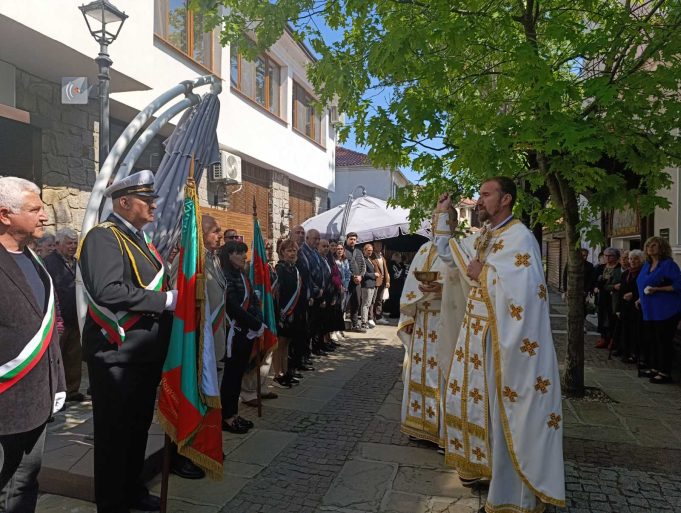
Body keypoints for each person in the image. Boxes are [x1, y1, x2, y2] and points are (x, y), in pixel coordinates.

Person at [434, 178, 565, 513]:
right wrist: (443, 219)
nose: (479, 200)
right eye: (479, 194)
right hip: (485, 340)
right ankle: (493, 477)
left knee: (513, 414)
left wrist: (485, 272)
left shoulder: (520, 237)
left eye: (485, 194)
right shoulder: (491, 236)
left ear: (506, 199)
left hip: (511, 346)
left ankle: (514, 500)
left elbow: (525, 292)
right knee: (489, 413)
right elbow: (459, 264)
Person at [79, 170, 177, 513]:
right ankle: (112, 502)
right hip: (117, 352)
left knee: (137, 429)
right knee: (114, 434)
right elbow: (108, 290)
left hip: (144, 352)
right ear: (123, 202)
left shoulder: (140, 240)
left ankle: (132, 490)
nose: (153, 206)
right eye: (146, 201)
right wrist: (164, 302)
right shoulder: (103, 237)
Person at [0, 177, 65, 513]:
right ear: (4, 215)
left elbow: (47, 327)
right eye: (34, 209)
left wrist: (58, 385)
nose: (44, 216)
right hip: (3, 403)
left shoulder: (35, 261)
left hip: (36, 401)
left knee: (24, 484)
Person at [397, 209, 466, 446]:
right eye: (435, 221)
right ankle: (419, 426)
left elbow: (466, 286)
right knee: (418, 371)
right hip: (422, 322)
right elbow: (409, 285)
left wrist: (442, 289)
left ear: (455, 223)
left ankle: (442, 433)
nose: (438, 225)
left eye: (445, 221)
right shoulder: (424, 250)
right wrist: (408, 318)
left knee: (443, 373)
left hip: (446, 320)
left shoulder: (460, 250)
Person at [219, 240, 265, 433]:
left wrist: (258, 320)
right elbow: (232, 306)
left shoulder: (242, 274)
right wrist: (254, 323)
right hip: (234, 333)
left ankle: (234, 414)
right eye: (239, 253)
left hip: (246, 332)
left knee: (238, 375)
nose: (244, 257)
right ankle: (227, 417)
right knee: (230, 377)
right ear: (229, 255)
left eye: (244, 253)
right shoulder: (226, 276)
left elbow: (253, 300)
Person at [44, 228, 84, 402]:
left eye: (75, 243)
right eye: (69, 243)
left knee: (74, 356)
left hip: (75, 316)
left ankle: (72, 390)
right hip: (58, 319)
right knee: (56, 358)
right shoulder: (48, 263)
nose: (73, 246)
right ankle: (54, 393)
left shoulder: (77, 263)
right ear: (59, 244)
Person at [636, 237, 681, 384]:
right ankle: (654, 367)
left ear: (662, 248)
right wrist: (639, 298)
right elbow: (642, 283)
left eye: (654, 245)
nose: (651, 248)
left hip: (666, 310)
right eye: (649, 245)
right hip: (649, 309)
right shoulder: (647, 264)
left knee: (663, 341)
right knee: (652, 340)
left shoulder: (668, 265)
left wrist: (658, 289)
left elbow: (678, 285)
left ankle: (664, 372)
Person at [273, 239, 304, 387]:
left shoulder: (295, 269)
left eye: (294, 251)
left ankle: (285, 372)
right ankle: (278, 374)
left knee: (286, 344)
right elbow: (277, 293)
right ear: (282, 252)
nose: (292, 253)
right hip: (282, 312)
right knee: (279, 344)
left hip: (293, 312)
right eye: (289, 251)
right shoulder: (280, 269)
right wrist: (280, 312)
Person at [297, 228, 328, 356]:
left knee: (315, 325)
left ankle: (309, 351)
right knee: (308, 328)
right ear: (307, 238)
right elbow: (307, 275)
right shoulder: (303, 251)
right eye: (315, 238)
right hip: (310, 294)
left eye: (318, 238)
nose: (317, 241)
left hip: (318, 294)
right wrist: (315, 290)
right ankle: (305, 353)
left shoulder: (314, 252)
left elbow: (320, 271)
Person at [615, 249, 643, 364]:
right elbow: (621, 292)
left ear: (641, 260)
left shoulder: (642, 273)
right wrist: (618, 309)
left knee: (635, 331)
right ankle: (625, 351)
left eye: (636, 259)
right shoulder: (626, 273)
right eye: (631, 259)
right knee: (625, 330)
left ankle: (634, 353)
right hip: (625, 306)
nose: (632, 261)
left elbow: (642, 290)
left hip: (637, 307)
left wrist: (634, 295)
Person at [594, 247, 622, 349]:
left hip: (613, 297)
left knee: (612, 318)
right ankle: (603, 338)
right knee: (602, 317)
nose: (607, 257)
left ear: (616, 257)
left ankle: (612, 339)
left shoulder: (619, 268)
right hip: (602, 296)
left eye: (610, 256)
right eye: (605, 255)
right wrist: (596, 286)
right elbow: (596, 281)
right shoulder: (600, 267)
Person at [344, 232, 367, 332]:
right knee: (344, 304)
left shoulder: (359, 252)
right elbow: (343, 266)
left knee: (356, 303)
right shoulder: (343, 251)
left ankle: (355, 324)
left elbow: (363, 266)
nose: (352, 241)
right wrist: (353, 276)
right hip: (347, 282)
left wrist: (361, 276)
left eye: (354, 239)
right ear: (347, 239)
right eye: (351, 239)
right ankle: (340, 326)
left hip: (358, 282)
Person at [332, 242, 351, 341]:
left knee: (342, 309)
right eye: (338, 249)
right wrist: (339, 286)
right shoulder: (333, 261)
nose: (339, 250)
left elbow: (348, 274)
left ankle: (339, 329)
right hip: (336, 288)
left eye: (341, 249)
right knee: (336, 310)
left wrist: (345, 287)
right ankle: (334, 331)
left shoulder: (345, 261)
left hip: (344, 289)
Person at [369, 242, 390, 326]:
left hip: (383, 281)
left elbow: (386, 270)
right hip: (375, 281)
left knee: (379, 300)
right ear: (374, 246)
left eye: (381, 245)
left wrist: (387, 281)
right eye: (377, 245)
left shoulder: (382, 257)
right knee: (372, 300)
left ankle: (378, 317)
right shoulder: (371, 256)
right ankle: (371, 318)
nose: (379, 247)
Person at [360, 244, 378, 330]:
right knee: (365, 304)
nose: (370, 252)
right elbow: (363, 273)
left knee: (369, 304)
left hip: (372, 284)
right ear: (364, 250)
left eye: (371, 251)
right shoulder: (363, 260)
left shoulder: (369, 259)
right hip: (366, 284)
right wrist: (374, 275)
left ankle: (366, 320)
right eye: (368, 251)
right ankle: (364, 322)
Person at [387, 252, 406, 318]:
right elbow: (395, 275)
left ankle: (397, 312)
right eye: (399, 257)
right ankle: (394, 314)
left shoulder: (400, 264)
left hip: (399, 285)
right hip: (394, 285)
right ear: (396, 258)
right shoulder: (392, 264)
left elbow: (403, 271)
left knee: (398, 299)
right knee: (394, 299)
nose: (400, 259)